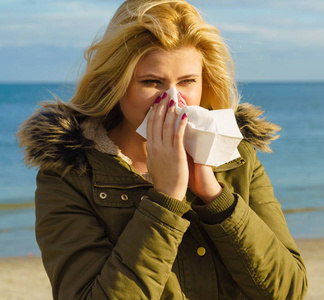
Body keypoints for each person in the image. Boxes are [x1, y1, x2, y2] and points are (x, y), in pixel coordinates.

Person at [17, 0, 307, 299]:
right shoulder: (70, 175)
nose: (173, 101)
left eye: (187, 81)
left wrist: (213, 194)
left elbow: (288, 291)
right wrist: (166, 199)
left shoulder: (237, 156)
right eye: (152, 82)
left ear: (204, 83)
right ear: (116, 83)